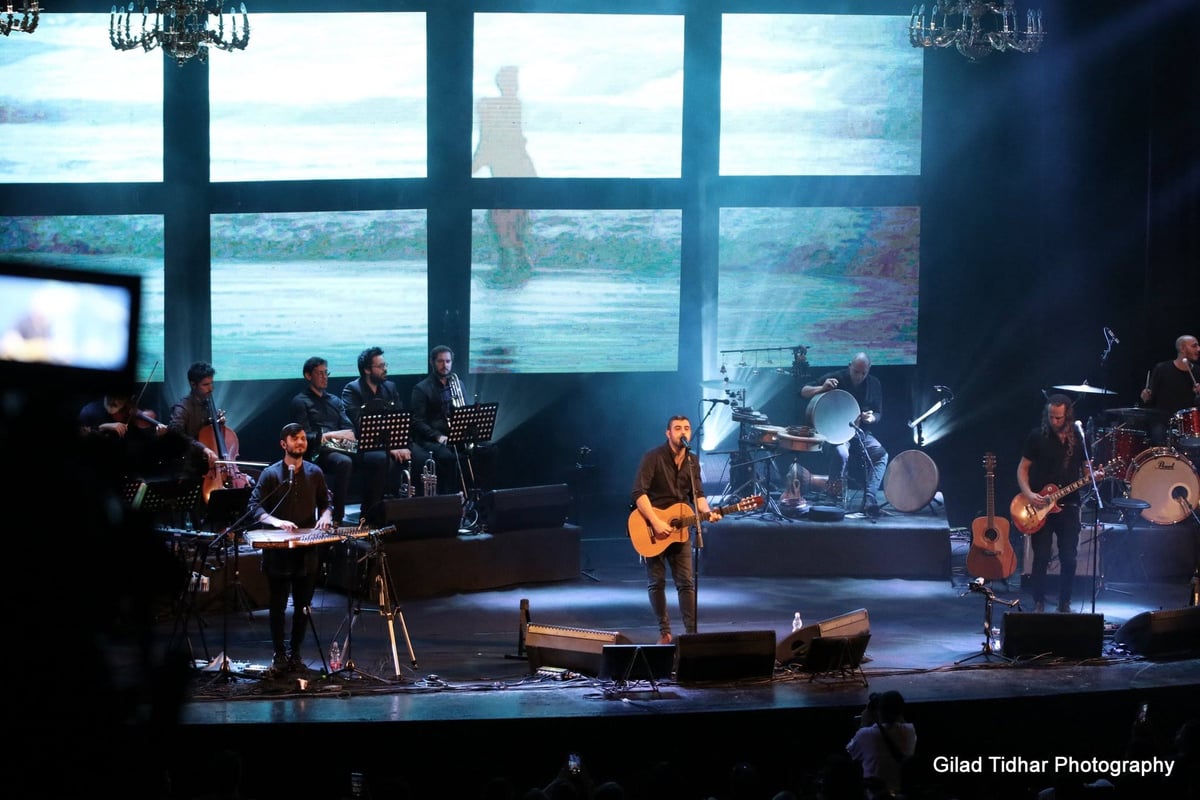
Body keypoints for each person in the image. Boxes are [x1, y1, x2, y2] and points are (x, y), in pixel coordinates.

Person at [246, 423, 334, 672]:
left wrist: (326, 515)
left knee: (303, 605)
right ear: (283, 444)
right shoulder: (271, 474)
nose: (301, 442)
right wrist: (276, 522)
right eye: (295, 438)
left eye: (303, 438)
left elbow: (327, 502)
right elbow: (254, 507)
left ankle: (296, 652)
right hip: (278, 549)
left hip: (306, 549)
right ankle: (279, 653)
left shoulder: (315, 472)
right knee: (278, 604)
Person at [630, 415, 723, 644]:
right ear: (668, 433)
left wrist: (708, 512)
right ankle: (664, 632)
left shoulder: (692, 461)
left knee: (686, 582)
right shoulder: (653, 457)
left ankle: (691, 635)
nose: (683, 432)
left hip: (682, 529)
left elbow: (697, 495)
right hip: (652, 526)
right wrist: (655, 521)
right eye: (678, 428)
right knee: (657, 581)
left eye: (687, 428)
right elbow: (638, 493)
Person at [1017, 394, 1091, 614]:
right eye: (1051, 416)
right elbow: (1022, 469)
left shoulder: (1079, 438)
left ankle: (1064, 602)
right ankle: (1038, 601)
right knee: (1041, 556)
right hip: (1040, 505)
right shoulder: (1036, 436)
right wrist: (1029, 493)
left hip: (1069, 505)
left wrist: (1093, 475)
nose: (1054, 421)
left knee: (1069, 556)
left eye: (1058, 417)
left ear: (1067, 415)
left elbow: (1087, 470)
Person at [471, 65, 537, 288]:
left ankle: (515, 261)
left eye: (515, 81)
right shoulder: (496, 105)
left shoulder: (497, 105)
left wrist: (472, 166)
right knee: (502, 218)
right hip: (510, 167)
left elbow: (490, 142)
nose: (515, 86)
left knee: (505, 218)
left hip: (512, 168)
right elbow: (490, 141)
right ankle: (515, 261)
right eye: (511, 81)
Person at [800, 352, 889, 512]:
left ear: (869, 370)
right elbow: (804, 391)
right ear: (850, 366)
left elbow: (878, 413)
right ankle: (831, 495)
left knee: (881, 455)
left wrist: (871, 419)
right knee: (841, 453)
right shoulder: (837, 378)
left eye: (864, 373)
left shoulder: (874, 384)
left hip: (860, 432)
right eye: (856, 371)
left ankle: (870, 499)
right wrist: (822, 388)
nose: (859, 376)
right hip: (835, 433)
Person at [341, 347, 416, 524]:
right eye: (381, 366)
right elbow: (359, 426)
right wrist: (390, 447)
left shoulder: (390, 387)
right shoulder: (352, 390)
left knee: (420, 457)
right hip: (365, 447)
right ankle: (369, 515)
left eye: (385, 365)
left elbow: (401, 419)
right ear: (367, 370)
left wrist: (400, 444)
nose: (385, 369)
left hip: (394, 443)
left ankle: (414, 512)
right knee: (381, 460)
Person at [290, 356, 357, 525]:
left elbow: (348, 428)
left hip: (340, 446)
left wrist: (340, 436)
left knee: (373, 456)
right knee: (344, 462)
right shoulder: (300, 401)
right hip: (316, 451)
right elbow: (303, 435)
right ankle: (337, 516)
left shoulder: (334, 400)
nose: (324, 377)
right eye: (319, 373)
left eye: (326, 373)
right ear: (308, 376)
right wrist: (329, 436)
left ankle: (373, 510)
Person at [410, 345, 469, 495]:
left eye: (448, 361)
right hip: (432, 439)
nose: (445, 365)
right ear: (432, 362)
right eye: (440, 361)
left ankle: (480, 495)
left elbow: (465, 411)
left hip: (455, 436)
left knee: (488, 450)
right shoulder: (421, 388)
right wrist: (438, 436)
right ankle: (450, 498)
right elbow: (417, 421)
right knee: (447, 457)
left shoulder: (458, 384)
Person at [846, 690, 917, 799]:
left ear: (879, 711)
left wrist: (864, 723)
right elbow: (902, 725)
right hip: (900, 793)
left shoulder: (865, 734)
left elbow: (850, 751)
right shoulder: (910, 731)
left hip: (874, 795)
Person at [1138, 334, 1200, 446]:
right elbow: (1149, 399)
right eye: (1194, 346)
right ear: (1182, 348)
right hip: (1163, 422)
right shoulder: (1162, 369)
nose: (1198, 349)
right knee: (1157, 433)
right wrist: (1146, 396)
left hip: (1188, 424)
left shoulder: (1198, 372)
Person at [168, 360, 221, 478]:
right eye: (206, 384)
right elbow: (176, 435)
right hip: (187, 469)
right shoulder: (182, 408)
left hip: (205, 466)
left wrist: (218, 424)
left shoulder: (207, 403)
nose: (211, 388)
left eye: (211, 383)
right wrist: (203, 449)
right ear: (193, 384)